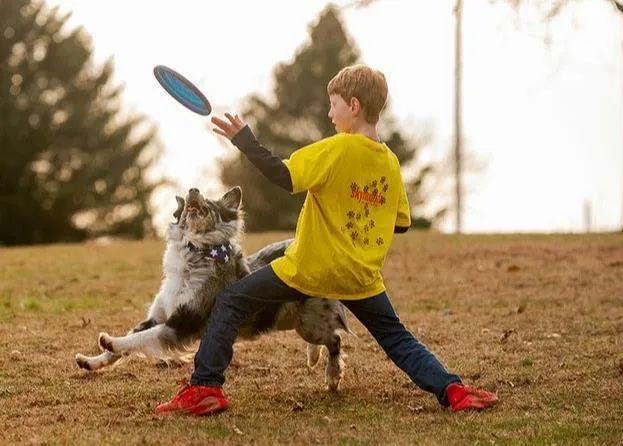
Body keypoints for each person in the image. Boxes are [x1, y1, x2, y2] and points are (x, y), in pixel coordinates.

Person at [156, 65, 498, 416]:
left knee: (230, 301)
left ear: (354, 105)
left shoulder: (336, 149)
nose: (329, 113)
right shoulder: (391, 163)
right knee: (396, 338)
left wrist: (244, 138)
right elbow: (399, 224)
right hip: (360, 276)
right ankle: (455, 391)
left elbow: (283, 175)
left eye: (333, 104)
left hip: (309, 268)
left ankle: (204, 387)